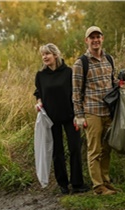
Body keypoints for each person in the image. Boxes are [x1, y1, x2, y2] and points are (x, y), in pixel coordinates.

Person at [72, 26, 125, 195]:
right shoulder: (81, 63)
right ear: (86, 40)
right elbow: (76, 91)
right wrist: (79, 116)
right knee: (94, 149)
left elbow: (111, 82)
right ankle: (98, 187)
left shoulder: (109, 59)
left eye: (98, 37)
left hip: (108, 111)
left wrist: (120, 84)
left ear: (102, 39)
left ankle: (106, 181)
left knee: (107, 147)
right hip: (92, 111)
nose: (95, 40)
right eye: (91, 37)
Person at [34, 43, 89, 195]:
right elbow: (38, 92)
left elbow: (77, 93)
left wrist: (78, 115)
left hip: (70, 117)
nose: (45, 57)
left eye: (47, 54)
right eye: (43, 54)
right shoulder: (41, 75)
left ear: (56, 55)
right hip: (51, 120)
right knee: (57, 152)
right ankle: (63, 184)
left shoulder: (69, 72)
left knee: (75, 148)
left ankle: (77, 183)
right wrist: (38, 103)